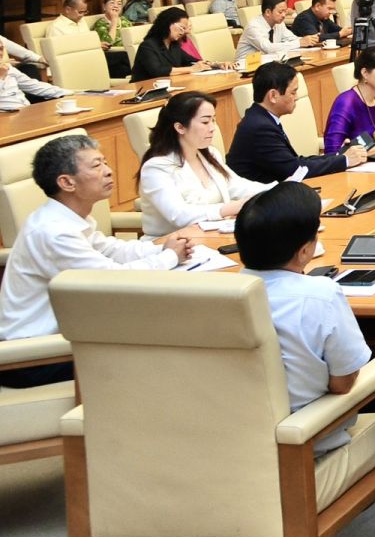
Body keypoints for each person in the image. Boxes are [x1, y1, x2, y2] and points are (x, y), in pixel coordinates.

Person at [0, 135, 191, 380]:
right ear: (67, 182)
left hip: (67, 336)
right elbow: (112, 281)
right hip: (34, 357)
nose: (108, 171)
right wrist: (169, 258)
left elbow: (111, 250)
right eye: (96, 166)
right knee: (161, 343)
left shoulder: (67, 217)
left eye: (105, 162)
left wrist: (162, 248)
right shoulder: (54, 233)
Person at [234, 181, 374, 453]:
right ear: (305, 251)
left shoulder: (219, 295)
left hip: (236, 443)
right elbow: (343, 383)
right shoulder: (321, 295)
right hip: (307, 442)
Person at [137, 91, 270, 236]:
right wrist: (229, 208)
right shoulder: (156, 168)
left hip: (211, 236)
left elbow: (238, 186)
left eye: (213, 120)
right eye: (205, 122)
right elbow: (178, 215)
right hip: (169, 243)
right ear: (180, 127)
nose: (212, 128)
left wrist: (278, 189)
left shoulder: (210, 154)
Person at [229, 61, 366, 180]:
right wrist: (344, 160)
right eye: (293, 92)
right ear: (273, 96)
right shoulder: (260, 127)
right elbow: (295, 170)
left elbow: (295, 161)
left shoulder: (262, 118)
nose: (297, 97)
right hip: (257, 198)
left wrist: (337, 156)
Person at [324, 47, 375, 156]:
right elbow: (332, 150)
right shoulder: (346, 103)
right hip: (350, 164)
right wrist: (367, 151)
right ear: (365, 73)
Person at [131, 7, 202, 80]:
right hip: (146, 85)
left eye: (184, 29)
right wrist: (191, 69)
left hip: (170, 83)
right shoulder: (147, 46)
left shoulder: (174, 45)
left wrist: (204, 64)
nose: (182, 32)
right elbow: (157, 71)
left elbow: (191, 61)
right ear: (168, 24)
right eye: (181, 28)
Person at [237, 0, 317, 58]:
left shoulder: (279, 23)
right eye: (280, 12)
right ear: (268, 12)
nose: (284, 15)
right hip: (245, 67)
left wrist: (310, 40)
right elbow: (268, 48)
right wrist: (300, 42)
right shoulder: (253, 27)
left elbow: (292, 39)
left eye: (285, 11)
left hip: (269, 62)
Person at [0, 53, 70, 111]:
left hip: (24, 110)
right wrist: (1, 77)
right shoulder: (2, 71)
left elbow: (34, 86)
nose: (0, 53)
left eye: (1, 49)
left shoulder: (8, 68)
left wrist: (69, 93)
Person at [88, 0, 132, 78]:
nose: (116, 6)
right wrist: (114, 21)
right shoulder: (100, 24)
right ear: (104, 7)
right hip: (113, 57)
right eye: (112, 3)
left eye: (119, 4)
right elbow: (108, 43)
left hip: (129, 53)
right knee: (123, 69)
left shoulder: (125, 21)